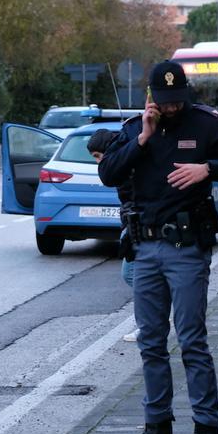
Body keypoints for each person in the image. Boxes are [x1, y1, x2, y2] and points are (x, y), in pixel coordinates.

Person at [98, 60, 218, 434]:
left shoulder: (205, 125)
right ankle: (158, 432)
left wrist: (208, 168)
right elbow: (107, 172)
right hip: (146, 250)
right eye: (164, 102)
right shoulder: (137, 128)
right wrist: (143, 139)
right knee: (150, 343)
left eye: (177, 101)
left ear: (185, 94)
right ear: (151, 97)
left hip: (187, 249)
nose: (172, 109)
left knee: (192, 341)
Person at [87, 129, 138, 342]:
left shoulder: (123, 165)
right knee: (137, 275)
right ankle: (151, 318)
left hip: (136, 224)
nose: (98, 162)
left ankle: (150, 320)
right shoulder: (122, 161)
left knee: (133, 274)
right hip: (132, 223)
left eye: (98, 156)